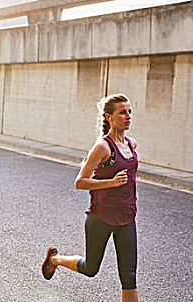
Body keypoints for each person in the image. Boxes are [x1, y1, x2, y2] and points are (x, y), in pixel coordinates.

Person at [41, 93, 139, 302]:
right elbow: (80, 182)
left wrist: (131, 191)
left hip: (127, 217)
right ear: (109, 117)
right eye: (122, 112)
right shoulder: (102, 147)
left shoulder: (132, 144)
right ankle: (55, 259)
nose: (128, 116)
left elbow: (129, 174)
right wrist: (111, 183)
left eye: (129, 111)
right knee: (90, 268)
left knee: (129, 277)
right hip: (101, 218)